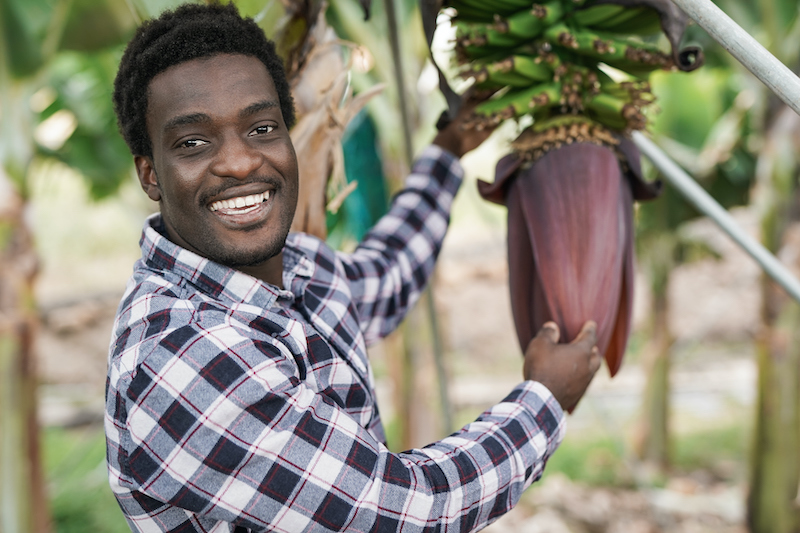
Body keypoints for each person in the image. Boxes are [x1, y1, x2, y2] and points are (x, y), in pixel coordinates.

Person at [105, 3, 602, 532]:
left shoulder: (296, 267)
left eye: (261, 128)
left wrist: (448, 149)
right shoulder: (178, 357)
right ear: (150, 174)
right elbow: (409, 512)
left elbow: (385, 275)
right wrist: (544, 399)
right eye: (193, 143)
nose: (240, 162)